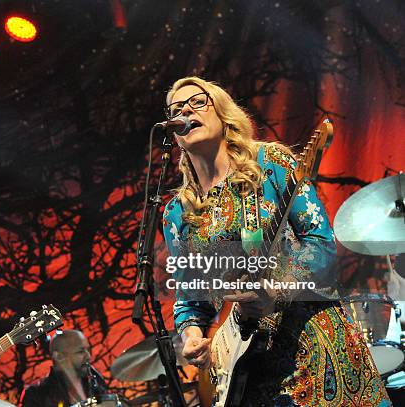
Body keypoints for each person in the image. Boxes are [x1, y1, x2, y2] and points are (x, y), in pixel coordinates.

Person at [162, 77, 391, 406]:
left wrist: (277, 289)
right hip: (247, 372)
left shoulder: (271, 165)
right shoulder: (177, 213)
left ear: (224, 114)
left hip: (313, 345)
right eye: (176, 110)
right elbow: (189, 296)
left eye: (197, 102)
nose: (185, 110)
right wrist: (193, 335)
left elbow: (321, 245)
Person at [19, 330, 108, 407]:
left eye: (88, 350)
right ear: (59, 357)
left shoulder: (96, 381)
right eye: (81, 351)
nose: (88, 356)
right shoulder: (36, 393)